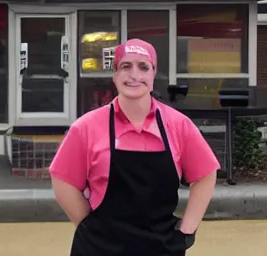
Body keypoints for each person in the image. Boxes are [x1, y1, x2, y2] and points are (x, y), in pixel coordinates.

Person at [49, 38, 220, 255]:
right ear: (115, 75)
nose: (134, 75)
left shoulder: (178, 125)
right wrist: (89, 226)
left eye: (143, 67)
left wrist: (187, 228)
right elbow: (62, 179)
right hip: (99, 249)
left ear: (153, 75)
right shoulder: (86, 128)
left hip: (161, 248)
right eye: (125, 66)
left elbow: (206, 174)